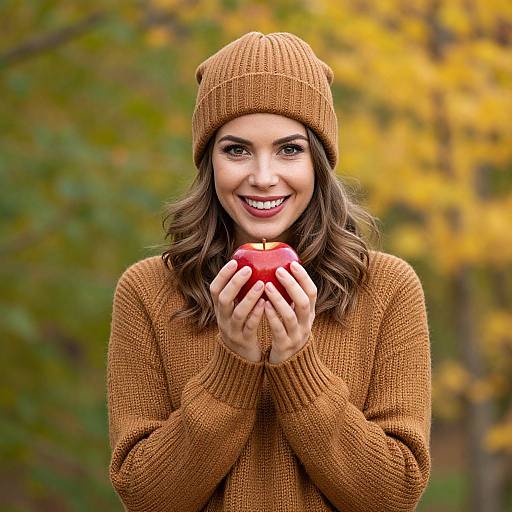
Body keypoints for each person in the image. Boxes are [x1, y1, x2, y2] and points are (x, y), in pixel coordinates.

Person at [107, 31, 432, 512]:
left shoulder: (386, 288)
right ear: (208, 162)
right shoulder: (149, 291)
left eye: (289, 149)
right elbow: (144, 496)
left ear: (318, 162)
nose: (263, 176)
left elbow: (393, 495)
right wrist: (233, 364)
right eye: (236, 150)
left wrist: (297, 363)